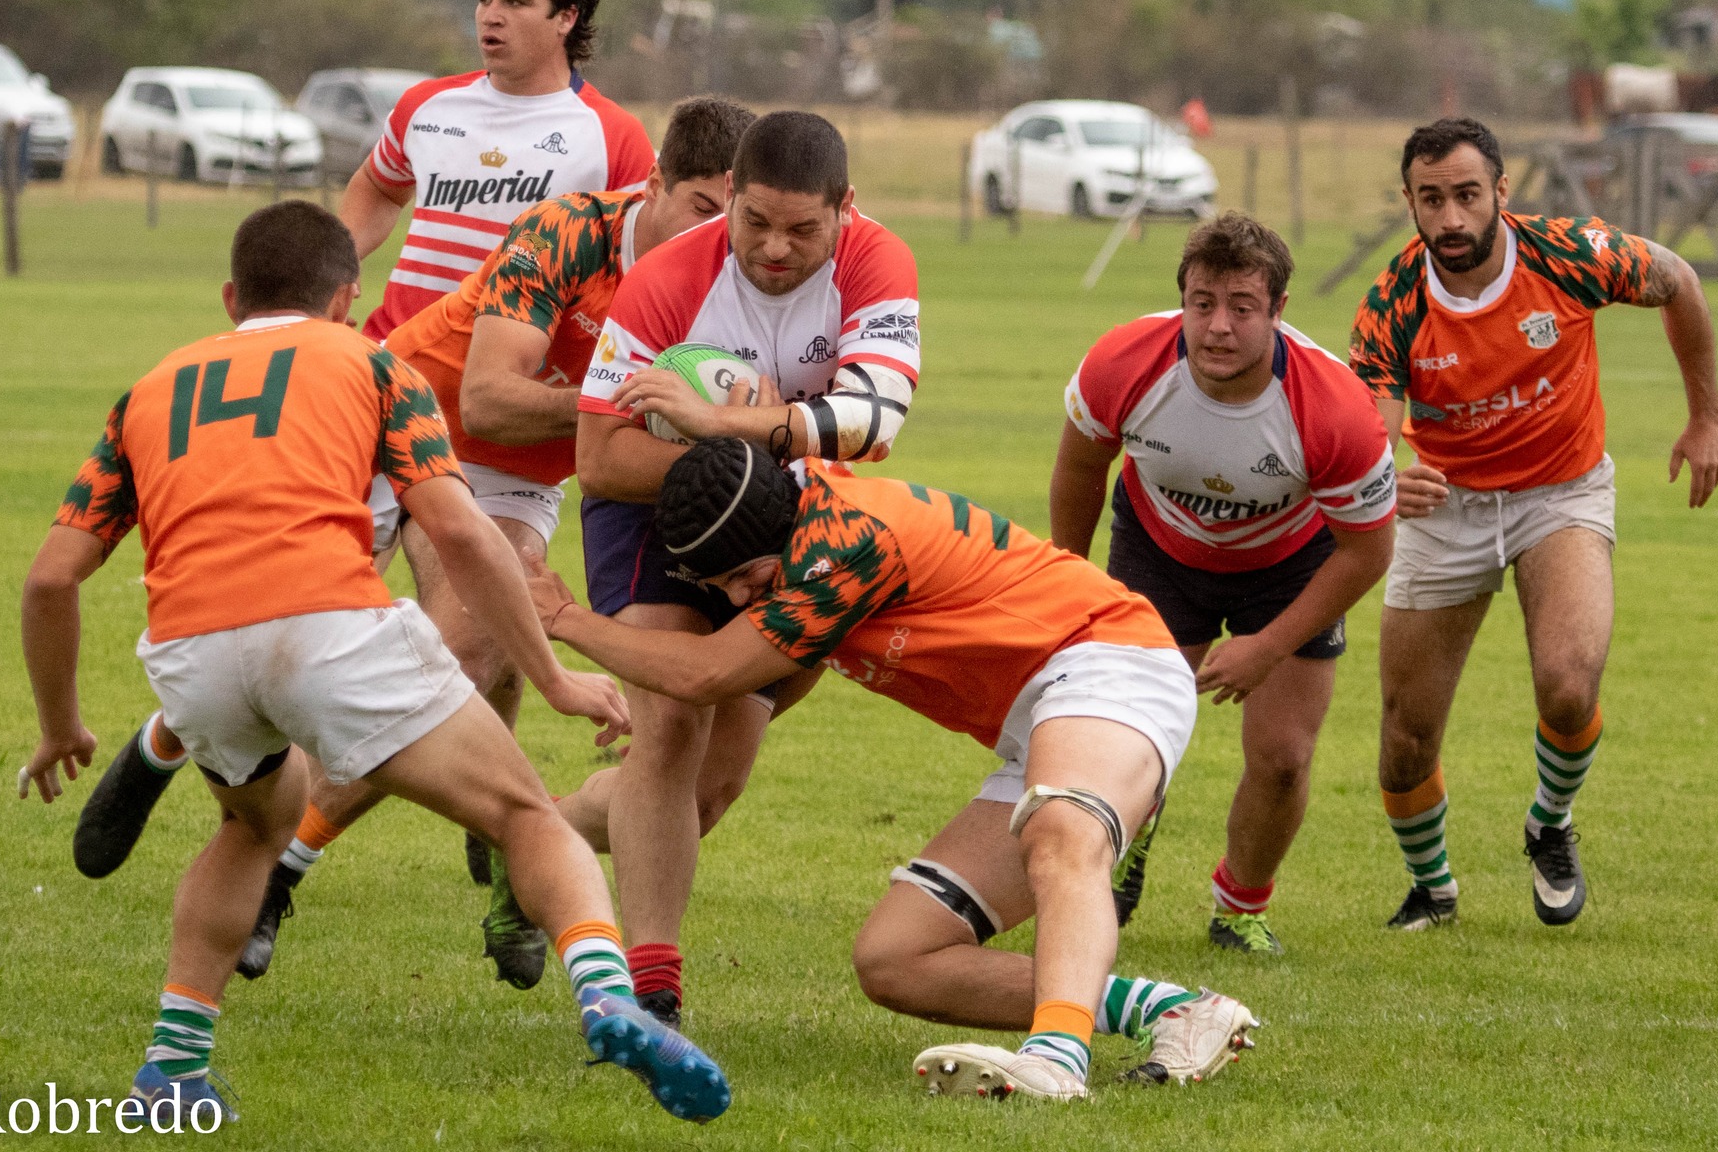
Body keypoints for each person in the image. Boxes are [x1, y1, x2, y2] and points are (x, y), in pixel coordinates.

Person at [17, 201, 729, 1126]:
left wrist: (59, 723)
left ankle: (172, 1069)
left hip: (193, 652)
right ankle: (607, 999)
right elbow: (463, 534)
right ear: (349, 298)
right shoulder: (375, 363)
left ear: (231, 297)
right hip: (329, 631)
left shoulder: (148, 390)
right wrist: (552, 678)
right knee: (522, 815)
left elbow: (49, 580)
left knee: (248, 828)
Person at [71, 97, 761, 983]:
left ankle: (285, 867)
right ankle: (175, 736)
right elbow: (486, 400)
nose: (721, 237)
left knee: (466, 654)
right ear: (657, 182)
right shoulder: (567, 234)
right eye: (706, 210)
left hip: (512, 474)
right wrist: (630, 400)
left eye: (733, 220)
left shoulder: (733, 279)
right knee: (302, 637)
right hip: (393, 420)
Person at [533, 439, 1260, 1101]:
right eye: (719, 584)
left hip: (1107, 659)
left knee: (1061, 830)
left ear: (779, 537)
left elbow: (706, 671)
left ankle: (1057, 1058)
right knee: (895, 959)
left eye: (745, 577)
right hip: (1040, 715)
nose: (737, 599)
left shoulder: (843, 543)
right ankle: (1177, 1009)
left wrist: (565, 616)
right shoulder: (801, 520)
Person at [570, 109, 922, 1025]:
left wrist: (725, 430)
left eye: (804, 229)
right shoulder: (666, 279)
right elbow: (601, 459)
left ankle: (546, 838)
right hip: (655, 511)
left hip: (793, 521)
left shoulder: (878, 264)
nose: (774, 247)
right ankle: (653, 989)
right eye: (755, 220)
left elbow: (878, 419)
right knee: (672, 724)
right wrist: (731, 461)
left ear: (847, 209)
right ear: (727, 194)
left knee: (713, 783)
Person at [1349, 118, 1718, 931]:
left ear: (1501, 193)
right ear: (1410, 202)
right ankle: (1434, 888)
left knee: (1568, 682)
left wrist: (1706, 419)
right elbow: (1374, 424)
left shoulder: (1569, 255)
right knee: (1406, 738)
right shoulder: (1392, 301)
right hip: (1446, 509)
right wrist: (1393, 473)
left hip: (1561, 493)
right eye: (1431, 199)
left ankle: (1549, 821)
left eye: (1466, 195)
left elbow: (1681, 280)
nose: (1451, 218)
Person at [1050, 212, 1397, 955]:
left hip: (1292, 562)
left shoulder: (1335, 409)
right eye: (1202, 302)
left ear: (1277, 310)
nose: (1217, 326)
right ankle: (1119, 855)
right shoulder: (1123, 361)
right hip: (1159, 551)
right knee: (1125, 735)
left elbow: (1368, 553)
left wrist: (1268, 648)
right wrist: (1069, 583)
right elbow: (1082, 466)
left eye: (1242, 306)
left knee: (1283, 757)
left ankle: (1240, 906)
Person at [347, 0, 653, 345]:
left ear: (567, 16)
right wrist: (335, 268)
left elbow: (641, 272)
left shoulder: (615, 136)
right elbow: (379, 188)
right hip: (394, 360)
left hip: (507, 388)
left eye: (515, 1)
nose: (491, 15)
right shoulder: (426, 104)